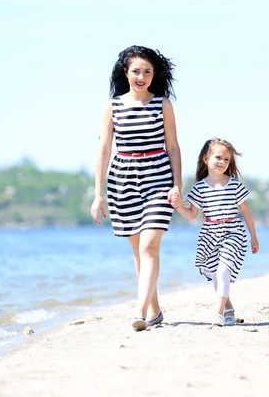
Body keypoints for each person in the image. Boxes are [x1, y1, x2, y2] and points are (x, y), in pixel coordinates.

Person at [91, 45, 182, 331]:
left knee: (149, 246)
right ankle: (154, 311)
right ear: (125, 72)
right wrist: (98, 194)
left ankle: (139, 311)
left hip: (158, 178)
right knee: (138, 252)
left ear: (155, 75)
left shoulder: (163, 104)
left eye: (147, 72)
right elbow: (104, 149)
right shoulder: (112, 106)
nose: (141, 77)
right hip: (122, 180)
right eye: (136, 71)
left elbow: (173, 147)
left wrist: (177, 184)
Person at [170, 137, 259, 326]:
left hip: (233, 233)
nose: (223, 162)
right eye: (218, 157)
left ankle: (218, 314)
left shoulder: (234, 184)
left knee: (223, 270)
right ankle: (229, 310)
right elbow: (191, 214)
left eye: (227, 160)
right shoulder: (200, 187)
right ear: (206, 159)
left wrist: (253, 235)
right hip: (210, 236)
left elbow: (245, 210)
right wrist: (178, 207)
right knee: (215, 273)